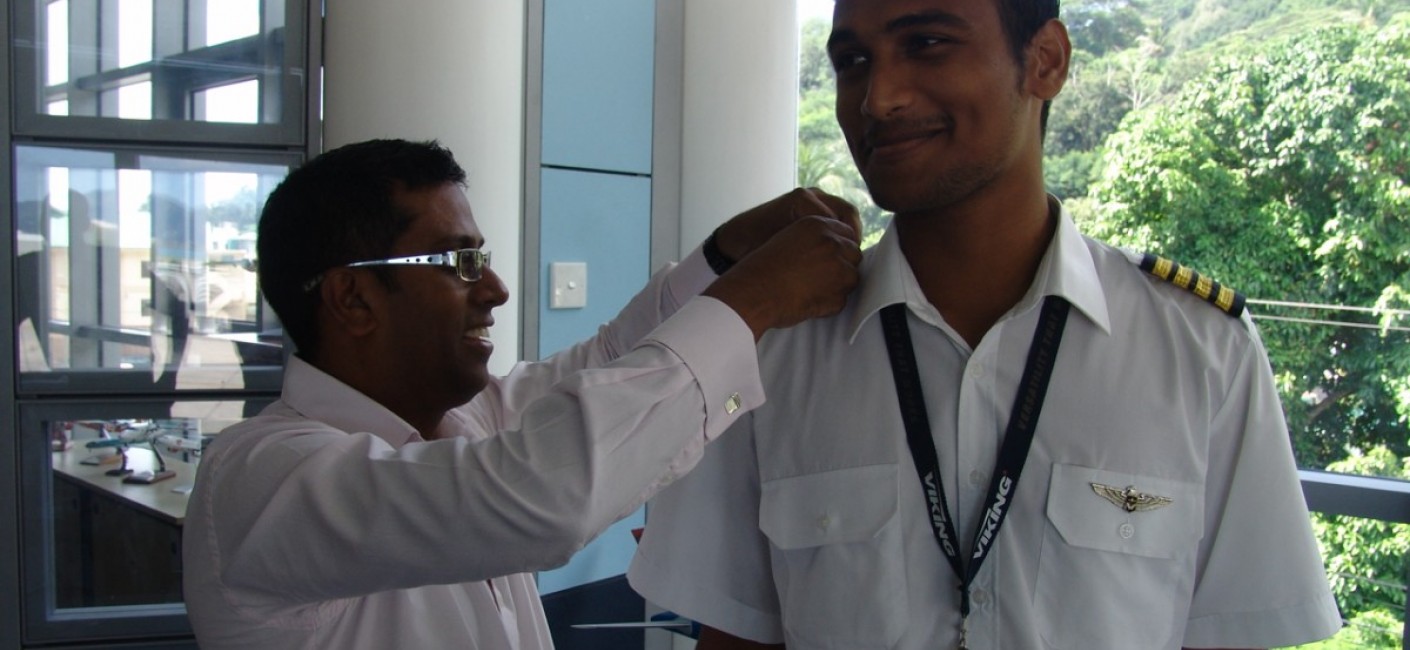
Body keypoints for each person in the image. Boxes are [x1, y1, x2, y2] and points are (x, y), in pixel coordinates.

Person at [627, 1, 1343, 648]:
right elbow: (737, 637)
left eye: (928, 43)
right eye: (852, 62)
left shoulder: (1199, 350)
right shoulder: (771, 352)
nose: (880, 98)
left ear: (1046, 61)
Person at [182, 138, 863, 649]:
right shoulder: (260, 478)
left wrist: (721, 258)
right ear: (353, 298)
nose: (496, 289)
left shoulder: (465, 424)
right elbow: (544, 497)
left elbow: (607, 362)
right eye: (460, 261)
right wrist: (751, 303)